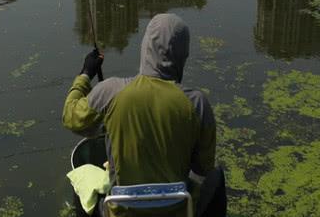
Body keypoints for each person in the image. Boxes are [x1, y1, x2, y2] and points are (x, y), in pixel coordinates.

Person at [63, 13, 226, 216]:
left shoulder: (110, 92)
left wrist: (85, 74)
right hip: (178, 210)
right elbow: (202, 169)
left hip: (120, 211)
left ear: (145, 48)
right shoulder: (197, 104)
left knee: (83, 178)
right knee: (217, 176)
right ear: (183, 55)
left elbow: (71, 117)